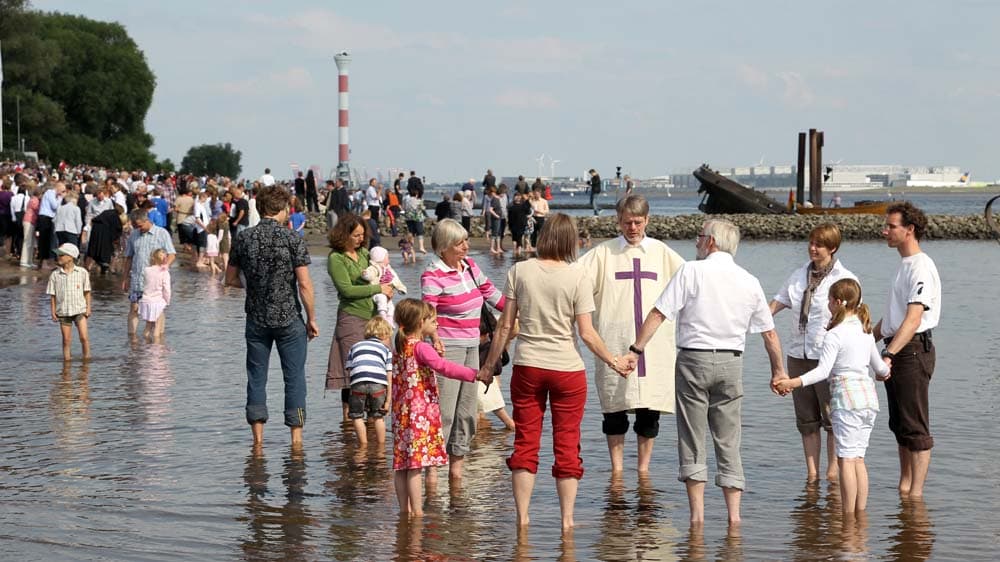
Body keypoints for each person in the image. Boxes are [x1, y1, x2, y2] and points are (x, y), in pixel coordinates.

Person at [623, 219, 786, 525]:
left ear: (710, 242)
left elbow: (659, 313)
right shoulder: (749, 279)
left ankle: (697, 517)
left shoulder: (691, 271)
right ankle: (734, 517)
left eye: (699, 237)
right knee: (729, 439)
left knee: (692, 437)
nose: (696, 243)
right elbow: (770, 334)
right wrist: (778, 372)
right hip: (731, 362)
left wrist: (636, 350)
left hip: (693, 361)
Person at [478, 213, 629, 530]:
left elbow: (505, 326)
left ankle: (522, 520)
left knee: (525, 442)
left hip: (528, 366)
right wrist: (614, 361)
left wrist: (489, 367)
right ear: (570, 240)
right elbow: (587, 334)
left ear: (544, 236)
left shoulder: (520, 270)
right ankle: (567, 521)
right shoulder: (578, 277)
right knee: (567, 443)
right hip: (567, 371)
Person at [578, 195, 686, 474]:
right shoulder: (604, 253)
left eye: (638, 222)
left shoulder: (662, 253)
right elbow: (574, 281)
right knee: (614, 408)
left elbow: (689, 284)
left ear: (647, 220)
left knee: (648, 409)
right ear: (618, 222)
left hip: (653, 345)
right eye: (627, 223)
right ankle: (616, 470)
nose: (633, 228)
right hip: (614, 341)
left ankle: (643, 469)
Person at [775, 278, 890, 515]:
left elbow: (822, 371)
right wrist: (888, 366)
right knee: (859, 458)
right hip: (868, 400)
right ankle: (861, 518)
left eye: (828, 300)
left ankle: (848, 519)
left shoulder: (835, 334)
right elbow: (880, 369)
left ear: (837, 302)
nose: (827, 304)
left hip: (846, 400)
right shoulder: (865, 331)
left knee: (846, 460)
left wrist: (794, 382)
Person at [226, 184, 319, 447]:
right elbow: (305, 285)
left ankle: (257, 442)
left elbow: (229, 279)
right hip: (289, 317)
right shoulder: (292, 239)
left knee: (256, 377)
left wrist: (255, 286)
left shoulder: (244, 238)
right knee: (295, 378)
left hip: (256, 317)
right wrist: (312, 318)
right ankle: (296, 440)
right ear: (281, 208)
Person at [769, 223, 857, 482]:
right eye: (811, 242)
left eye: (819, 244)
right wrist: (750, 318)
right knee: (806, 420)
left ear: (833, 248)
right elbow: (776, 304)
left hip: (827, 356)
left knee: (831, 418)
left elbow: (853, 319)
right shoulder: (798, 276)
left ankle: (832, 472)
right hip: (798, 355)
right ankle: (812, 474)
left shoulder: (845, 279)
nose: (813, 248)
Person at [421, 218, 504, 483]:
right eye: (460, 243)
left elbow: (492, 294)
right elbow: (428, 312)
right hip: (448, 349)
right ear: (444, 246)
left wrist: (521, 307)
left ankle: (456, 469)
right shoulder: (432, 274)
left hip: (473, 346)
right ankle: (432, 473)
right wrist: (434, 337)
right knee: (444, 411)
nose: (466, 246)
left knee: (467, 411)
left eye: (466, 241)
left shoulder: (469, 266)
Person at [873, 201, 941, 498]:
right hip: (898, 346)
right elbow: (892, 319)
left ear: (909, 230)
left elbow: (913, 318)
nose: (884, 231)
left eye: (891, 226)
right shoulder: (904, 265)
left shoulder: (921, 266)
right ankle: (904, 488)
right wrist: (865, 337)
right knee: (899, 423)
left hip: (912, 350)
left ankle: (915, 495)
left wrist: (889, 355)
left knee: (914, 425)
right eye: (885, 225)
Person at [391, 299, 479, 517]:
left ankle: (405, 511)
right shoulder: (421, 347)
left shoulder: (400, 345)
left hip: (402, 414)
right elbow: (444, 368)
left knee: (402, 464)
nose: (437, 325)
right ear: (421, 323)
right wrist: (474, 374)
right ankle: (419, 512)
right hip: (419, 414)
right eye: (433, 321)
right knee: (415, 465)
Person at [325, 213, 395, 420]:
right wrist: (377, 288)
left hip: (375, 319)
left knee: (379, 367)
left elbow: (381, 271)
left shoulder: (365, 253)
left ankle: (376, 417)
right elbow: (346, 290)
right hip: (352, 316)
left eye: (362, 235)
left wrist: (388, 287)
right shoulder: (336, 258)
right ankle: (349, 421)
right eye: (355, 235)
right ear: (344, 234)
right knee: (353, 372)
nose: (360, 239)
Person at [122, 209, 176, 338]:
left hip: (155, 281)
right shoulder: (133, 235)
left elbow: (172, 254)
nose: (138, 228)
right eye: (135, 226)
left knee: (158, 311)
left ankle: (158, 339)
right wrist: (125, 278)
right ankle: (132, 338)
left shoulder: (162, 233)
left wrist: (164, 267)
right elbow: (129, 257)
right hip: (137, 278)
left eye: (140, 226)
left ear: (147, 220)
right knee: (134, 308)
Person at [345, 316, 394, 447]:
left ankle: (363, 446)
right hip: (378, 385)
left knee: (357, 416)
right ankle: (381, 448)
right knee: (378, 417)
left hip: (358, 384)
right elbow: (389, 376)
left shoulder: (355, 346)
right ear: (384, 334)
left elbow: (350, 369)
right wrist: (388, 401)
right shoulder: (386, 350)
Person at [46, 243, 92, 361]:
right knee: (66, 339)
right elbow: (53, 295)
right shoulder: (55, 274)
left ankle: (86, 359)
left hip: (79, 310)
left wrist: (88, 308)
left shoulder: (82, 272)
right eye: (58, 255)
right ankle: (67, 361)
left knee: (84, 337)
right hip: (63, 311)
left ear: (70, 257)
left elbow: (87, 292)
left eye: (61, 255)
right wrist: (53, 311)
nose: (58, 257)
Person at [361, 245, 407, 326]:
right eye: (387, 258)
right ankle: (382, 317)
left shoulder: (389, 269)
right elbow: (370, 274)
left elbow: (396, 279)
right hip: (377, 293)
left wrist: (401, 288)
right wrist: (365, 274)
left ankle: (390, 323)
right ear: (380, 258)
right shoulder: (375, 268)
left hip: (387, 293)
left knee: (391, 307)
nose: (389, 260)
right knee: (382, 299)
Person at [139, 248, 172, 342]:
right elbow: (167, 290)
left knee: (148, 326)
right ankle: (156, 350)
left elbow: (144, 283)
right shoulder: (164, 272)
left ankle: (145, 347)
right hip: (157, 302)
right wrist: (167, 301)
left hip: (146, 301)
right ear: (165, 259)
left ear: (153, 258)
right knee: (157, 328)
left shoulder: (146, 270)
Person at [506, 191, 532, 257]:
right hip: (521, 224)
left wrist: (509, 225)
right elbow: (528, 211)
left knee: (514, 238)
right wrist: (527, 200)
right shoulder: (523, 205)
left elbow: (509, 217)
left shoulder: (511, 206)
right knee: (519, 238)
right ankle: (518, 253)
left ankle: (515, 252)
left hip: (514, 224)